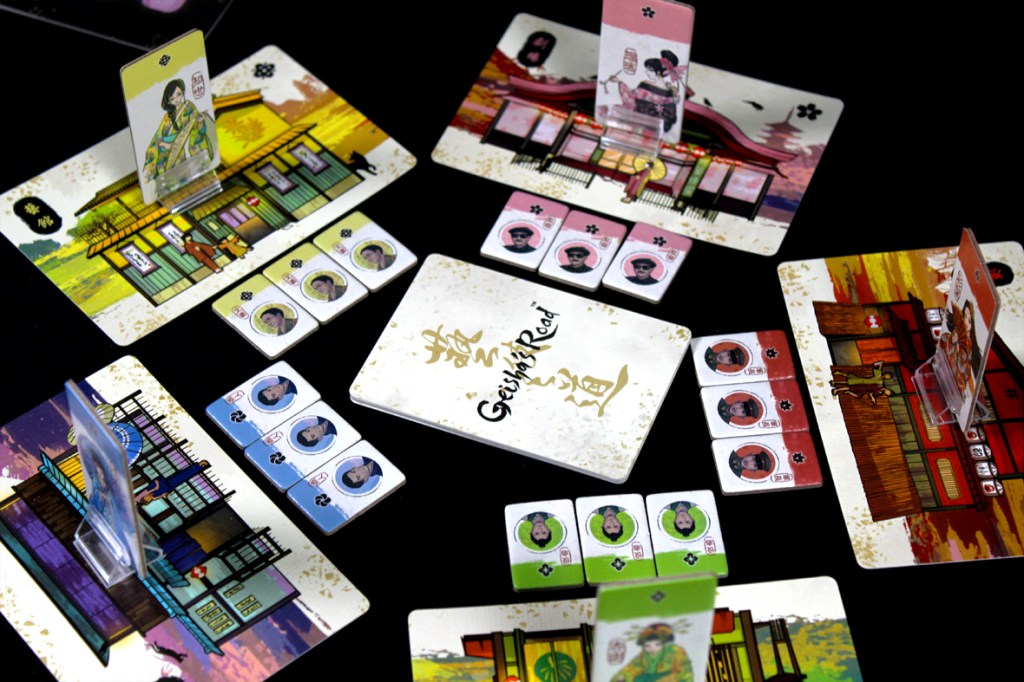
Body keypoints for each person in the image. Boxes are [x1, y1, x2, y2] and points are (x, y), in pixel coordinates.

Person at [143, 79, 214, 182]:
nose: (176, 99)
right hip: (166, 149)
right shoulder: (167, 117)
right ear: (168, 101)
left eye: (178, 94)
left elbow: (197, 131)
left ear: (183, 92)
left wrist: (200, 122)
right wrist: (163, 144)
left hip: (183, 145)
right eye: (172, 98)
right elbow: (159, 135)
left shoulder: (189, 107)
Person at [608, 50, 685, 138]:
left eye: (649, 70)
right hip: (657, 126)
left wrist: (620, 82)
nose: (646, 72)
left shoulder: (647, 84)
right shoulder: (670, 90)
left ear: (658, 72)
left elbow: (631, 99)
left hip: (641, 121)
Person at [612, 622, 692, 682]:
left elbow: (685, 672)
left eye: (657, 644)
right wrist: (623, 676)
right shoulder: (644, 655)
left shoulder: (676, 651)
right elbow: (633, 667)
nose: (652, 649)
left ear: (664, 643)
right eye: (647, 646)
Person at [137, 460, 211, 503]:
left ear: (145, 496)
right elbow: (166, 493)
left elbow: (156, 480)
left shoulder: (150, 489)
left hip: (168, 481)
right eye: (149, 500)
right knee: (185, 477)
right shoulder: (156, 496)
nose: (149, 498)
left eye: (146, 498)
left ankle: (199, 464)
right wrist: (163, 495)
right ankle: (199, 466)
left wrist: (157, 486)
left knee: (184, 474)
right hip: (171, 486)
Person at [830, 360, 894, 405]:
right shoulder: (880, 383)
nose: (886, 392)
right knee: (850, 382)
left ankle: (837, 387)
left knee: (854, 390)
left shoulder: (880, 392)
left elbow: (871, 393)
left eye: (887, 393)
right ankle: (835, 382)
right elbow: (878, 370)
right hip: (863, 383)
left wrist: (873, 398)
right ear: (888, 389)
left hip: (864, 389)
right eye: (888, 392)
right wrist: (880, 365)